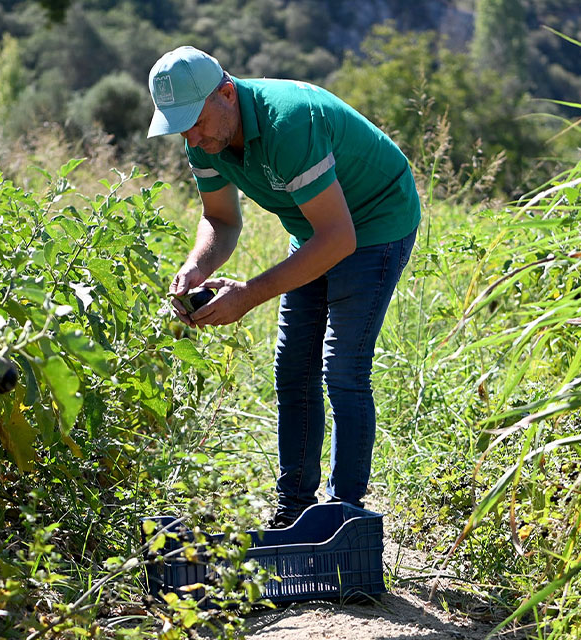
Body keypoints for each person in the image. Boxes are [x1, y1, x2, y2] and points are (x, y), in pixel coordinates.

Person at [147, 46, 420, 528]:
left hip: (376, 221)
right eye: (179, 124)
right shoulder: (204, 138)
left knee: (343, 369)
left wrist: (248, 294)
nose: (191, 134)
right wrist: (196, 267)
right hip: (318, 229)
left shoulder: (288, 124)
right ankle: (294, 509)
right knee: (293, 367)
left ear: (227, 93)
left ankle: (344, 516)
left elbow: (341, 238)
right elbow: (220, 219)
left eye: (195, 120)